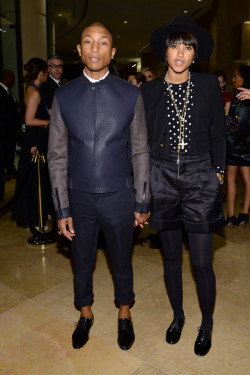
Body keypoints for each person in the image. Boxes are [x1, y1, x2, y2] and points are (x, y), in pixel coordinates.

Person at [47, 22, 150, 351]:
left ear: (112, 51)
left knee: (122, 258)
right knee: (81, 259)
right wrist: (62, 207)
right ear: (78, 50)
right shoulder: (64, 96)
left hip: (120, 195)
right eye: (88, 42)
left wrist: (142, 200)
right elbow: (57, 154)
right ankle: (86, 311)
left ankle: (123, 312)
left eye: (102, 42)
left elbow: (140, 150)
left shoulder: (131, 94)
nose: (95, 48)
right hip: (79, 197)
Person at [140, 15, 226, 356]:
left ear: (195, 54)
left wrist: (217, 174)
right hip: (161, 177)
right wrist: (143, 189)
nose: (180, 53)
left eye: (187, 47)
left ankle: (207, 323)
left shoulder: (207, 85)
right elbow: (142, 142)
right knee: (171, 257)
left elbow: (218, 133)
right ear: (165, 52)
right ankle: (178, 316)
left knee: (202, 262)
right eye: (175, 46)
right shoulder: (148, 91)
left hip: (201, 176)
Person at [11, 58, 53, 228]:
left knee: (34, 180)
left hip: (35, 139)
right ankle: (35, 219)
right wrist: (46, 122)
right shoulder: (34, 92)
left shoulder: (32, 89)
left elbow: (39, 111)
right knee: (35, 182)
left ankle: (36, 215)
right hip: (34, 140)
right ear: (41, 73)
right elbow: (29, 120)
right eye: (47, 72)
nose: (48, 75)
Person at [225, 65, 250, 227]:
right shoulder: (237, 95)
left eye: (236, 76)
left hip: (240, 145)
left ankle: (237, 215)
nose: (233, 79)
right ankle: (238, 214)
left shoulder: (243, 95)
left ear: (243, 78)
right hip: (240, 144)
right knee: (241, 180)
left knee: (237, 180)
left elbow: (236, 123)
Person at [0, 70, 20, 178]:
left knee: (10, 151)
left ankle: (10, 169)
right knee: (5, 151)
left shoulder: (8, 91)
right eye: (13, 78)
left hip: (11, 130)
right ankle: (5, 171)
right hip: (4, 130)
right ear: (6, 78)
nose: (14, 81)